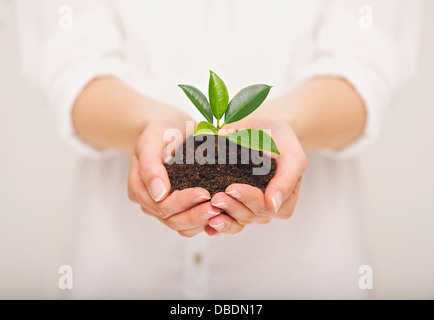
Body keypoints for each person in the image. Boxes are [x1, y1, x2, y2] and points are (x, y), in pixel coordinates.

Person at [16, 0, 420, 299]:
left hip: (302, 277)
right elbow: (68, 57)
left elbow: (369, 60)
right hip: (124, 274)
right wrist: (146, 125)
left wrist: (287, 122)